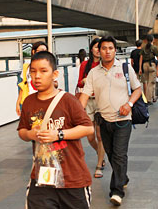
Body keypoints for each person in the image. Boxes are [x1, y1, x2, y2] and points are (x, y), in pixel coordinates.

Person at [17, 51, 94, 209]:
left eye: (43, 71)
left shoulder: (68, 100)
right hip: (42, 179)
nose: (37, 76)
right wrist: (31, 134)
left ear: (55, 74)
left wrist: (58, 134)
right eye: (33, 71)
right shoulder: (29, 102)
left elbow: (88, 128)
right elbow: (22, 131)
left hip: (72, 179)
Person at [79, 36, 142, 206]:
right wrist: (77, 113)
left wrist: (129, 104)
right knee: (112, 154)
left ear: (115, 50)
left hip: (123, 120)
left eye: (110, 48)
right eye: (104, 48)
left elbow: (137, 89)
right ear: (98, 51)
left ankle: (116, 191)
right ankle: (124, 177)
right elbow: (85, 95)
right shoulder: (93, 73)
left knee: (119, 154)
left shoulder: (125, 67)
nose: (107, 51)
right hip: (103, 120)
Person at [77, 38, 106, 178]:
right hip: (88, 101)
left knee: (100, 135)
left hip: (101, 101)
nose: (98, 49)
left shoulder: (105, 65)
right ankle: (99, 152)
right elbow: (79, 83)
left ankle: (99, 164)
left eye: (100, 47)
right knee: (90, 136)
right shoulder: (85, 65)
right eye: (96, 47)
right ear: (91, 49)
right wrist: (85, 81)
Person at [16, 41, 48, 116]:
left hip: (44, 101)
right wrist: (18, 103)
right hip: (29, 101)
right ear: (33, 52)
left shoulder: (48, 67)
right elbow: (23, 86)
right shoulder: (26, 67)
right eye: (41, 51)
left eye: (45, 51)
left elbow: (55, 84)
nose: (43, 54)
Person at [139, 34, 158, 104]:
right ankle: (148, 99)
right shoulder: (154, 48)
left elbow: (141, 58)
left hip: (145, 65)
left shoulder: (143, 48)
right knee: (151, 83)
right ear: (153, 40)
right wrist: (157, 68)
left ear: (146, 40)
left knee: (147, 83)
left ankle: (152, 97)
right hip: (152, 65)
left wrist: (140, 68)